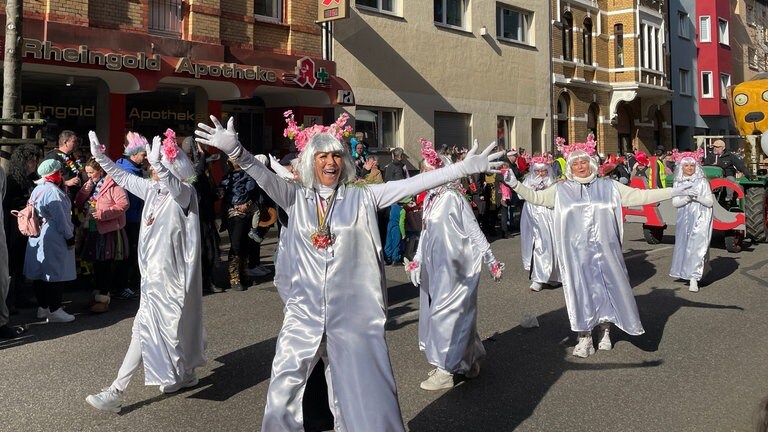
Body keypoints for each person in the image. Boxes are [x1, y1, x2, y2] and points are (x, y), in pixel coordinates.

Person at [195, 115, 502, 431]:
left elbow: (412, 184)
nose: (331, 162)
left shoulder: (364, 196)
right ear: (310, 162)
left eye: (336, 155)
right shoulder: (296, 197)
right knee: (284, 388)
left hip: (354, 316)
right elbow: (262, 176)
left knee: (366, 390)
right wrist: (238, 152)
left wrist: (462, 168)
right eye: (322, 156)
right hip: (304, 315)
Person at [502, 134, 696, 358]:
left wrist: (674, 191)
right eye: (575, 163)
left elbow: (640, 196)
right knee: (580, 292)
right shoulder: (561, 189)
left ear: (591, 162)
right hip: (575, 254)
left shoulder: (609, 186)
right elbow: (535, 197)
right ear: (570, 166)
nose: (580, 166)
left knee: (607, 290)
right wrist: (514, 183)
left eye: (583, 161)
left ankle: (605, 331)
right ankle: (584, 337)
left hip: (607, 251)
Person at [85, 129, 205, 413]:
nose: (152, 168)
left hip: (172, 281)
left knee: (148, 330)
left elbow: (176, 187)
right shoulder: (153, 191)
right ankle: (186, 375)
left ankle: (116, 390)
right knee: (154, 329)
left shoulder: (185, 194)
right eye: (152, 164)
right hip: (152, 279)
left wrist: (162, 165)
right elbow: (125, 178)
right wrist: (101, 157)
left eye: (158, 163)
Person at [406, 138, 503, 391]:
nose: (426, 176)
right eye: (424, 172)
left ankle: (445, 369)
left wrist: (490, 259)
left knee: (445, 315)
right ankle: (467, 361)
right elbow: (425, 233)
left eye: (431, 172)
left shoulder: (452, 197)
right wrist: (417, 260)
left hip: (456, 268)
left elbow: (473, 230)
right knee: (451, 315)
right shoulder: (430, 199)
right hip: (436, 267)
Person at [23, 159, 77, 323]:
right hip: (54, 235)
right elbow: (61, 218)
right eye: (59, 172)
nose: (61, 175)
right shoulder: (53, 192)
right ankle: (55, 310)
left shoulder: (37, 189)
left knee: (41, 274)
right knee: (56, 274)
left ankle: (43, 307)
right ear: (54, 173)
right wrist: (69, 237)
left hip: (37, 234)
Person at [74, 158, 130, 312]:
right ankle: (98, 295)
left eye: (91, 172)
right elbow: (78, 202)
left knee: (105, 264)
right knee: (97, 264)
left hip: (108, 230)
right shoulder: (91, 185)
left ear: (101, 170)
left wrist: (103, 214)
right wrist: (86, 189)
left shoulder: (113, 184)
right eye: (87, 173)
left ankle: (103, 298)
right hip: (92, 229)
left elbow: (124, 204)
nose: (89, 175)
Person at [669, 150, 713, 293]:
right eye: (686, 165)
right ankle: (691, 271)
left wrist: (697, 197)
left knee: (697, 246)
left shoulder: (702, 182)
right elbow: (675, 203)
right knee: (684, 246)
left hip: (700, 219)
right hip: (684, 220)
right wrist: (686, 198)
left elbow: (709, 202)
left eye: (692, 165)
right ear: (681, 167)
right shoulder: (678, 183)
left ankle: (694, 279)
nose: (689, 168)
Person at [3, 144, 40, 315]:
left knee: (20, 264)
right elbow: (7, 206)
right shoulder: (11, 181)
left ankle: (20, 298)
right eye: (31, 161)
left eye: (35, 160)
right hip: (12, 229)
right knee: (11, 266)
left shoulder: (30, 180)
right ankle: (9, 302)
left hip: (25, 229)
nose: (34, 164)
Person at [218, 157, 263, 291]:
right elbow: (222, 196)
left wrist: (247, 205)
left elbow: (255, 194)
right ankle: (234, 278)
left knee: (245, 244)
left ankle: (244, 274)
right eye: (232, 159)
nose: (235, 161)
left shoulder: (249, 176)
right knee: (236, 245)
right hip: (234, 215)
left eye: (237, 158)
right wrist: (234, 206)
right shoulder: (227, 178)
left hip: (248, 213)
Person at [519, 155, 560, 292]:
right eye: (538, 171)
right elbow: (520, 195)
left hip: (548, 215)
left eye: (543, 171)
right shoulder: (528, 180)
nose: (541, 174)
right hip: (532, 215)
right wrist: (531, 189)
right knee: (536, 243)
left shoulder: (552, 181)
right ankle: (538, 277)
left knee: (551, 244)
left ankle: (553, 276)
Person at [115, 132, 148, 298]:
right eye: (143, 154)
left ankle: (126, 285)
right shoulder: (129, 172)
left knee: (128, 254)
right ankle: (126, 286)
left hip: (129, 218)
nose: (145, 158)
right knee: (130, 254)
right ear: (134, 154)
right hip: (130, 220)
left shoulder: (128, 168)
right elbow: (134, 200)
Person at [43, 130, 82, 200]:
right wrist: (66, 182)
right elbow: (45, 179)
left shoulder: (72, 156)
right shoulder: (53, 156)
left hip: (72, 198)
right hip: (58, 198)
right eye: (74, 142)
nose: (76, 144)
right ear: (65, 142)